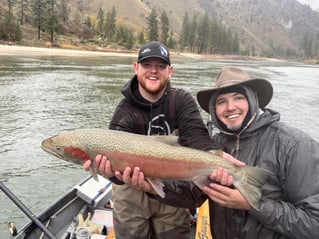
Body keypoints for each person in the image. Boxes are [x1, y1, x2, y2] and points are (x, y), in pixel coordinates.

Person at [114, 66, 319, 238]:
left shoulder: (295, 145)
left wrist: (252, 204)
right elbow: (193, 197)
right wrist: (150, 187)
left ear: (253, 99)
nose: (230, 107)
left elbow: (314, 223)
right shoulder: (214, 145)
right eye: (221, 101)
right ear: (214, 109)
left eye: (238, 97)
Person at [86, 41, 218, 239]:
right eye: (147, 65)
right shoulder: (124, 111)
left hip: (172, 189)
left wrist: (215, 159)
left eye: (161, 66)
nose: (153, 71)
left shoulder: (181, 100)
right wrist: (110, 174)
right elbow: (115, 168)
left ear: (170, 71)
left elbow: (197, 138)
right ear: (136, 68)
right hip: (131, 195)